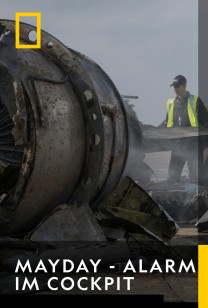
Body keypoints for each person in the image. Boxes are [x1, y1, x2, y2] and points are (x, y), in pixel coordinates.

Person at [160, 74, 208, 184]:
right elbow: (166, 122)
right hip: (177, 146)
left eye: (178, 86)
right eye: (174, 87)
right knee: (172, 178)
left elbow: (206, 121)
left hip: (194, 146)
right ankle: (172, 198)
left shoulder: (195, 101)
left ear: (185, 86)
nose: (175, 89)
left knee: (196, 179)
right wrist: (152, 130)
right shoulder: (171, 103)